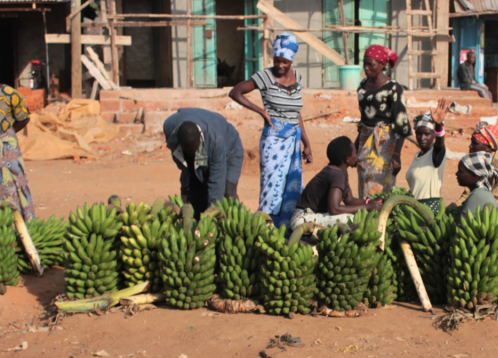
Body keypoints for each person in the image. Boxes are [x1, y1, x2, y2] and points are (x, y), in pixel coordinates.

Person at [229, 32, 312, 228]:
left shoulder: (298, 77)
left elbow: (296, 112)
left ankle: (288, 230)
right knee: (271, 186)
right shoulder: (264, 76)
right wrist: (261, 111)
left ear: (292, 60)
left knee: (292, 188)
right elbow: (235, 92)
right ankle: (266, 229)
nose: (280, 65)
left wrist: (306, 143)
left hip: (294, 139)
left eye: (285, 61)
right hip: (274, 141)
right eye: (277, 60)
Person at [163, 108, 245, 217]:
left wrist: (212, 213)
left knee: (227, 191)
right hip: (203, 133)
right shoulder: (170, 127)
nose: (190, 153)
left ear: (199, 141)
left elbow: (217, 180)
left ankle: (231, 224)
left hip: (230, 147)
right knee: (194, 191)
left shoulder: (216, 141)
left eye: (192, 150)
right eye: (186, 151)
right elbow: (184, 167)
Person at [355, 44, 412, 198]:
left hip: (385, 143)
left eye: (370, 64)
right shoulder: (363, 86)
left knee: (380, 185)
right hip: (365, 142)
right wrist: (356, 146)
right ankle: (367, 219)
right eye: (364, 64)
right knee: (364, 182)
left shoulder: (393, 88)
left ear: (382, 65)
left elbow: (401, 122)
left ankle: (381, 220)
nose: (366, 68)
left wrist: (397, 155)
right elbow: (364, 119)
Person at [290, 136, 383, 229]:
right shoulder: (337, 174)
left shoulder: (340, 170)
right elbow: (334, 209)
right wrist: (366, 207)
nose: (357, 155)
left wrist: (370, 202)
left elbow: (350, 200)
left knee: (361, 214)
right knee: (355, 219)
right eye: (355, 152)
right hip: (303, 219)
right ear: (347, 159)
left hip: (314, 215)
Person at [0, 54, 35, 222]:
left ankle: (19, 223)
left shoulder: (9, 94)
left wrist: (7, 135)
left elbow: (24, 118)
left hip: (7, 149)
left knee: (13, 184)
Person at [404, 98, 448, 214]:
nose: (422, 138)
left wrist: (438, 125)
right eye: (419, 133)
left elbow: (440, 144)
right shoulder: (418, 155)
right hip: (414, 210)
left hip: (429, 211)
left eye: (427, 134)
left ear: (434, 134)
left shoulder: (436, 154)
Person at [455, 150, 498, 220]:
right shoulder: (482, 191)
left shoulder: (476, 195)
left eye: (460, 171)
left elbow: (460, 225)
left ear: (473, 176)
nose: (456, 174)